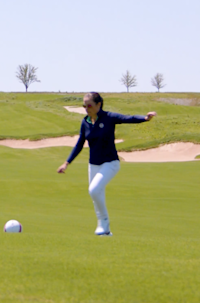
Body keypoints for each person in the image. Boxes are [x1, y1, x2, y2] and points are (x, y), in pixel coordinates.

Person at [57, 92, 157, 236]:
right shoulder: (85, 122)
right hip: (93, 165)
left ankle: (104, 223)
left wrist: (145, 118)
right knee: (96, 195)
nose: (86, 108)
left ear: (99, 104)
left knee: (94, 190)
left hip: (110, 163)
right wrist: (66, 163)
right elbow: (79, 144)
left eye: (89, 105)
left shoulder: (109, 117)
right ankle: (104, 230)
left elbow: (127, 118)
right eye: (84, 105)